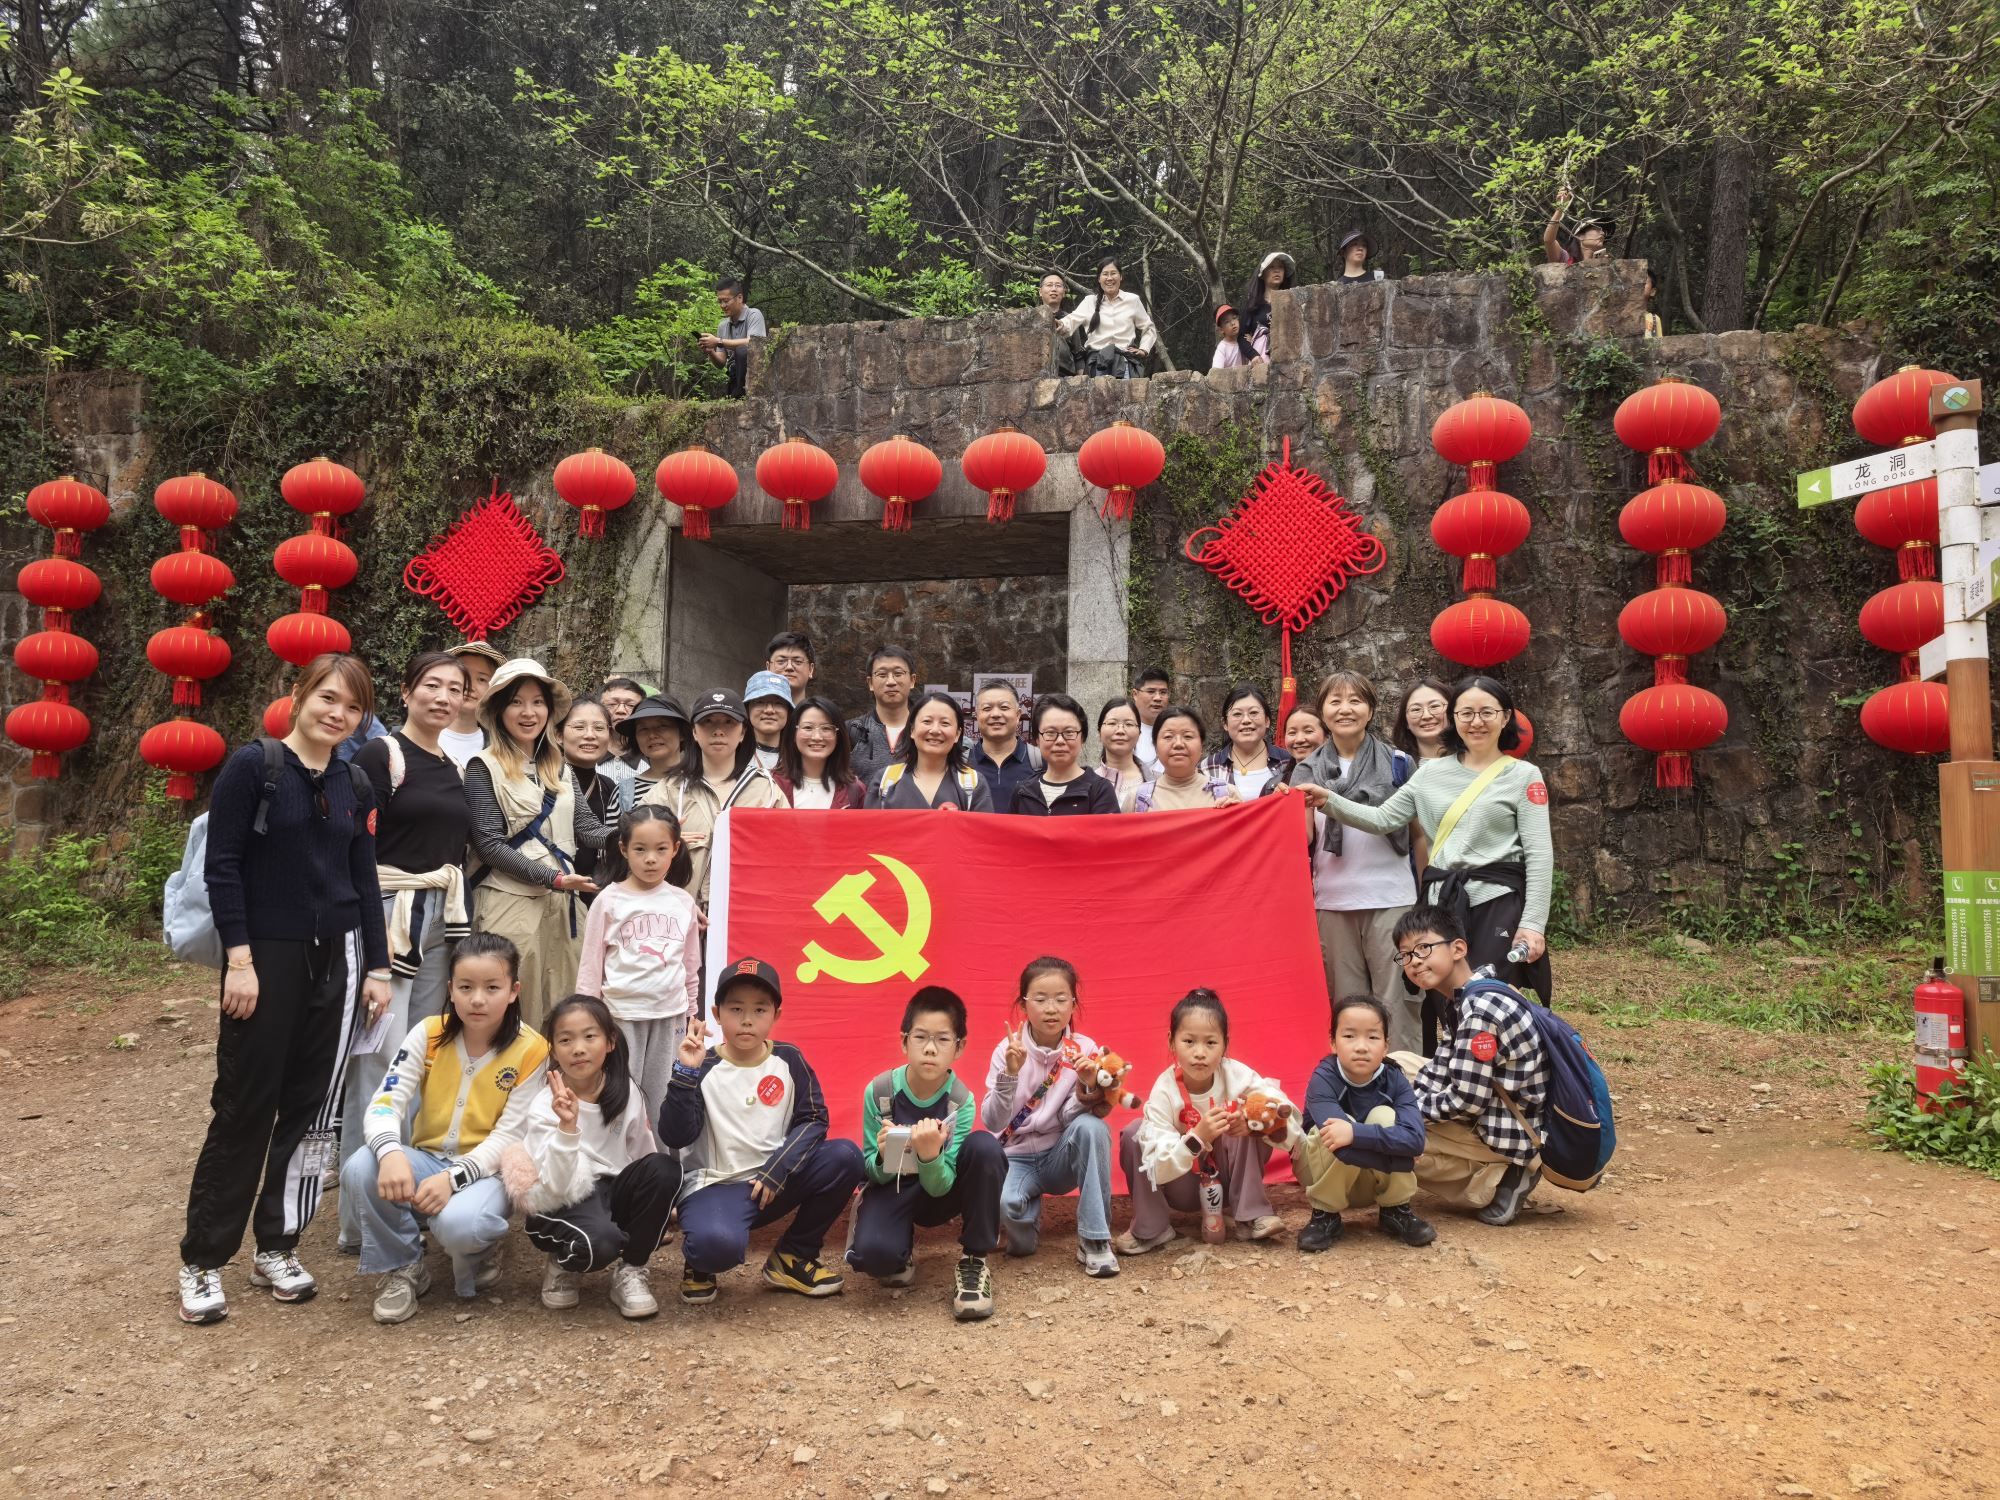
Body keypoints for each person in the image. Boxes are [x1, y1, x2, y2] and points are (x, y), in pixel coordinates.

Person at [177, 652, 394, 1325]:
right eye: (328, 698)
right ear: (298, 695)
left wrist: (378, 966)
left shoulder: (356, 780)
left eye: (353, 706)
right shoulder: (255, 766)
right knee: (245, 1104)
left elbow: (363, 877)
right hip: (266, 955)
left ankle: (278, 1244)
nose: (338, 714)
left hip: (341, 955)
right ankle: (203, 1258)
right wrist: (239, 960)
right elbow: (224, 867)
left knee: (311, 1108)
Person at [338, 652, 474, 1256]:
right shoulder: (381, 755)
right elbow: (355, 848)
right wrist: (370, 947)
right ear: (406, 691)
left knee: (422, 1058)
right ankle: (358, 1216)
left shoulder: (453, 764)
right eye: (432, 686)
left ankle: (406, 1199)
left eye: (455, 689)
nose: (443, 697)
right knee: (378, 1063)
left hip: (441, 922)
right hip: (390, 919)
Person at [1303, 675, 1554, 1004]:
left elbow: (1539, 854)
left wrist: (1533, 924)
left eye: (1487, 712)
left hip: (1497, 901)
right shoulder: (1429, 773)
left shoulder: (1524, 775)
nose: (1476, 722)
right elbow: (1382, 819)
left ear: (1505, 716)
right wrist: (1328, 800)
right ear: (1454, 718)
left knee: (1492, 996)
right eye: (1466, 713)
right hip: (1442, 903)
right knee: (1445, 995)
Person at [340, 932, 550, 1323]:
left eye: (492, 987)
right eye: (466, 987)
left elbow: (510, 1135)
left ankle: (482, 1247)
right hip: (427, 1158)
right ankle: (403, 1265)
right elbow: (385, 1102)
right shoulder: (428, 1033)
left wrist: (452, 1180)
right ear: (450, 988)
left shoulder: (532, 1049)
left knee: (462, 1226)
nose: (477, 999)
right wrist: (390, 1152)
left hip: (488, 1172)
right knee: (360, 1166)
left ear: (514, 991)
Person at [663, 957, 867, 1304]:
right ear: (716, 1013)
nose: (747, 1019)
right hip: (716, 1186)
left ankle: (793, 1255)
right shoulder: (702, 1065)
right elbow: (676, 1136)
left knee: (845, 1157)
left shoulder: (789, 1059)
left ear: (776, 1015)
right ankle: (700, 1261)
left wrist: (778, 1169)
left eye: (759, 1010)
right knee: (716, 1247)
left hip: (772, 1183)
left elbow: (814, 1119)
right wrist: (685, 1074)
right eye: (736, 1009)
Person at [843, 986, 1004, 1322]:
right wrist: (883, 1158)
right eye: (920, 1037)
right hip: (894, 1188)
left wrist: (929, 1156)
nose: (930, 1049)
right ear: (904, 1042)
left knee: (985, 1148)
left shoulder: (960, 1100)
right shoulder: (881, 1091)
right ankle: (898, 1247)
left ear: (959, 1047)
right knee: (876, 1259)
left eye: (943, 1039)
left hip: (940, 1192)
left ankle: (974, 1260)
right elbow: (870, 1172)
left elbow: (941, 1186)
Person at [465, 658, 609, 1031]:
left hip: (563, 906)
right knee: (510, 1013)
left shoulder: (559, 765)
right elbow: (489, 845)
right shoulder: (483, 766)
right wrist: (554, 878)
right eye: (516, 702)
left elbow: (586, 828)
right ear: (499, 710)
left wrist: (640, 832)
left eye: (537, 702)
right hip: (509, 902)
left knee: (565, 1010)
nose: (528, 712)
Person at [519, 994, 682, 1319]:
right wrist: (567, 1127)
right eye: (566, 1040)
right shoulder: (544, 1105)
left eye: (589, 1036)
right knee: (600, 1244)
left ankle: (631, 1270)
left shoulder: (625, 1091)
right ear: (554, 1050)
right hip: (563, 1199)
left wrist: (661, 1203)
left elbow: (643, 1152)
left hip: (612, 1191)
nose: (578, 1048)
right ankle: (563, 1264)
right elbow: (556, 1184)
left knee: (665, 1169)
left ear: (610, 1042)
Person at [1392, 906, 1548, 1226]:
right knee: (1395, 1065)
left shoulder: (1479, 1011)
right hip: (1499, 1101)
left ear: (1458, 948)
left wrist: (1403, 1113)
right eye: (1405, 955)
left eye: (1423, 948)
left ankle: (1502, 1176)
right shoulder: (1471, 992)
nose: (1414, 961)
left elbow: (1467, 1101)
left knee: (1389, 1138)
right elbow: (1442, 1066)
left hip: (1514, 1130)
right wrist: (1402, 1098)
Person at [1290, 670, 1421, 1051]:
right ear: (1323, 712)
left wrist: (1426, 893)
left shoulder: (1399, 763)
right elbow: (1303, 839)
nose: (1345, 709)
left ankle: (1404, 1080)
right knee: (1346, 1007)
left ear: (1371, 710)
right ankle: (1353, 1080)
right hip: (1333, 902)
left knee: (1397, 1003)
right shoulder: (1306, 769)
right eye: (1335, 701)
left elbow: (1417, 834)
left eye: (1355, 701)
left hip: (1391, 898)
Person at [1116, 988, 1297, 1253]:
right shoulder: (1165, 1089)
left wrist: (1253, 1123)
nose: (1199, 1053)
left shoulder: (1238, 1076)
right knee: (1135, 1132)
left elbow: (1288, 1119)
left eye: (1211, 1043)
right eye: (1189, 1041)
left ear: (1224, 1044)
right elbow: (1159, 1168)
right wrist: (1197, 1138)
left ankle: (1250, 1216)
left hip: (1227, 1180)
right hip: (1181, 1186)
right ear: (1172, 1042)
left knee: (1251, 1115)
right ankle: (1152, 1228)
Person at [979, 956, 1119, 1278]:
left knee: (1092, 1127)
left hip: (1059, 1155)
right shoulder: (1007, 1050)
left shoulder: (1084, 1049)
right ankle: (1026, 1219)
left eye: (1060, 999)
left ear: (1073, 1004)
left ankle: (1095, 1239)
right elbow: (992, 1122)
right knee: (1017, 1234)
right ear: (1024, 1004)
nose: (1051, 1009)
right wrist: (1010, 1074)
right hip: (1016, 1157)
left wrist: (1087, 1084)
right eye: (1040, 999)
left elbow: (1070, 1118)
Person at [574, 805, 701, 1113]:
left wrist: (693, 1015)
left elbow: (690, 965)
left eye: (661, 849)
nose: (650, 859)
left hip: (670, 1016)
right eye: (640, 849)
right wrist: (587, 1018)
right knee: (620, 1097)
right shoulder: (608, 900)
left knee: (663, 1097)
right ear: (624, 849)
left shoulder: (683, 901)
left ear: (675, 849)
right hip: (621, 1016)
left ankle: (659, 1147)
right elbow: (590, 966)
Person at [1292, 994, 1435, 1252]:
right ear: (1333, 1042)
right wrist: (1401, 1159)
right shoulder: (1323, 1077)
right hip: (1319, 1175)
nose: (1361, 1047)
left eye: (1372, 1037)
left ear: (1386, 1046)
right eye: (1349, 1036)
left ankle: (1395, 1209)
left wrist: (1355, 1133)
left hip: (1371, 1180)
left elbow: (1415, 1140)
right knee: (1335, 1127)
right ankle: (1325, 1214)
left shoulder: (1395, 1079)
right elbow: (1341, 1146)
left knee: (1384, 1115)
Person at [640, 689, 785, 912]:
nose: (718, 730)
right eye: (708, 722)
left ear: (743, 732)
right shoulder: (669, 790)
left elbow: (787, 851)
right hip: (681, 914)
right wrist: (662, 843)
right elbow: (633, 846)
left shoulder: (767, 790)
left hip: (747, 912)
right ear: (694, 732)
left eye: (729, 722)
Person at [864, 690, 995, 811]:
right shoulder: (885, 781)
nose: (935, 730)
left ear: (957, 734)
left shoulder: (972, 784)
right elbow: (871, 827)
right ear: (912, 730)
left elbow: (982, 829)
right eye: (927, 721)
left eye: (945, 723)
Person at [556, 696, 628, 888]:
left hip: (595, 890)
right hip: (550, 883)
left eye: (599, 728)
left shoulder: (609, 785)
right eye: (579, 727)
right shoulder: (546, 779)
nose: (590, 735)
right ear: (558, 735)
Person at [1010, 692, 1121, 815]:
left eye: (1069, 732)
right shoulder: (1023, 792)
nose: (1060, 741)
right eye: (1050, 733)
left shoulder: (1100, 790)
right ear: (1037, 739)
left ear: (1082, 738)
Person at [1055, 256, 1158, 379]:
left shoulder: (1132, 300)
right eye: (1105, 274)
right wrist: (1059, 324)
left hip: (1123, 363)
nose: (1109, 278)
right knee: (1098, 393)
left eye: (1113, 273)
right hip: (1097, 363)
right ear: (1099, 278)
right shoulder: (1089, 302)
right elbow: (1071, 320)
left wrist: (1144, 349)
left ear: (1120, 276)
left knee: (1123, 392)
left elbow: (1149, 327)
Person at [1128, 706, 1239, 811]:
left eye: (1188, 736)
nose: (1178, 744)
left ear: (1202, 745)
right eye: (1168, 736)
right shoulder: (1137, 799)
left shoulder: (1228, 794)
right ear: (1155, 746)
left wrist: (1234, 813)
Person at [1199, 683, 1295, 800]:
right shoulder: (1207, 768)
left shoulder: (1288, 762)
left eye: (1253, 713)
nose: (1246, 720)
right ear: (1225, 724)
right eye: (1237, 714)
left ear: (1267, 720)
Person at [774, 695, 867, 809]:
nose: (817, 737)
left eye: (826, 728)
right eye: (808, 728)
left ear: (838, 736)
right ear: (793, 733)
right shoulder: (771, 785)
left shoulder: (855, 790)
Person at [847, 646, 916, 788]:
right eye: (882, 675)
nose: (891, 681)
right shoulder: (852, 730)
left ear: (912, 680)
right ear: (870, 683)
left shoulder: (926, 731)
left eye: (898, 673)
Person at [968, 679, 1040, 808]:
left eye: (1004, 707)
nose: (995, 714)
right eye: (987, 708)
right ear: (977, 716)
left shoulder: (1040, 762)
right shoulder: (961, 763)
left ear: (1018, 715)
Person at [439, 641, 505, 770]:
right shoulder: (420, 736)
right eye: (464, 675)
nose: (470, 686)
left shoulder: (500, 747)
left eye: (482, 679)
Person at [701, 275, 765, 398]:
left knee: (742, 350)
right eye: (720, 301)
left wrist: (718, 341)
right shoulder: (723, 325)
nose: (722, 305)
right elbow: (721, 363)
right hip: (733, 377)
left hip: (754, 375)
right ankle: (737, 394)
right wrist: (710, 351)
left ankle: (741, 393)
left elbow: (754, 343)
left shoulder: (754, 315)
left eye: (726, 301)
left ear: (739, 298)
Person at [621, 693, 690, 808]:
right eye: (643, 728)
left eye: (662, 726)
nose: (652, 735)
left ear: (682, 733)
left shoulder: (705, 783)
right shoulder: (623, 793)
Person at [1093, 697, 1153, 806]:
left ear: (1139, 734)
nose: (1120, 731)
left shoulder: (1156, 782)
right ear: (1099, 732)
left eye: (1129, 724)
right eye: (1112, 723)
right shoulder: (1088, 783)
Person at [1238, 250, 1295, 355]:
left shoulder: (1291, 302)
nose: (1277, 270)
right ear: (1263, 273)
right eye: (1272, 267)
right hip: (1261, 360)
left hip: (1288, 357)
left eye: (1280, 267)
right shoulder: (1252, 303)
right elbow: (1242, 336)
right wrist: (1253, 356)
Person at [1393, 677, 1453, 770]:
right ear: (1405, 721)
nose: (1426, 716)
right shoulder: (1395, 767)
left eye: (1434, 706)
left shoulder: (1472, 760)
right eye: (1416, 709)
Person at [1543, 187, 1610, 265]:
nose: (1602, 233)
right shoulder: (1566, 259)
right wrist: (1560, 207)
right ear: (1580, 236)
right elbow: (1549, 240)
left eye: (1603, 230)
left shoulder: (1604, 264)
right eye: (1596, 229)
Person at [744, 670, 793, 773]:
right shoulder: (732, 754)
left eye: (779, 703)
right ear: (747, 709)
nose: (769, 710)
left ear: (788, 712)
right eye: (760, 702)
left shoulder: (799, 758)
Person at [1131, 667, 1171, 773]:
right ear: (1135, 694)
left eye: (1163, 692)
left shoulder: (1176, 731)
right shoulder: (1124, 731)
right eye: (1151, 691)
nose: (1158, 698)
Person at [764, 631, 817, 700]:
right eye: (781, 661)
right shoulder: (754, 707)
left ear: (810, 669)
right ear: (768, 668)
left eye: (798, 661)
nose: (789, 667)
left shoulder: (821, 707)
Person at [1642, 266, 1664, 339]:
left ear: (1653, 291)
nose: (1639, 285)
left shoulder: (1654, 319)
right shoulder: (1621, 317)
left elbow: (1659, 343)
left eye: (1644, 282)